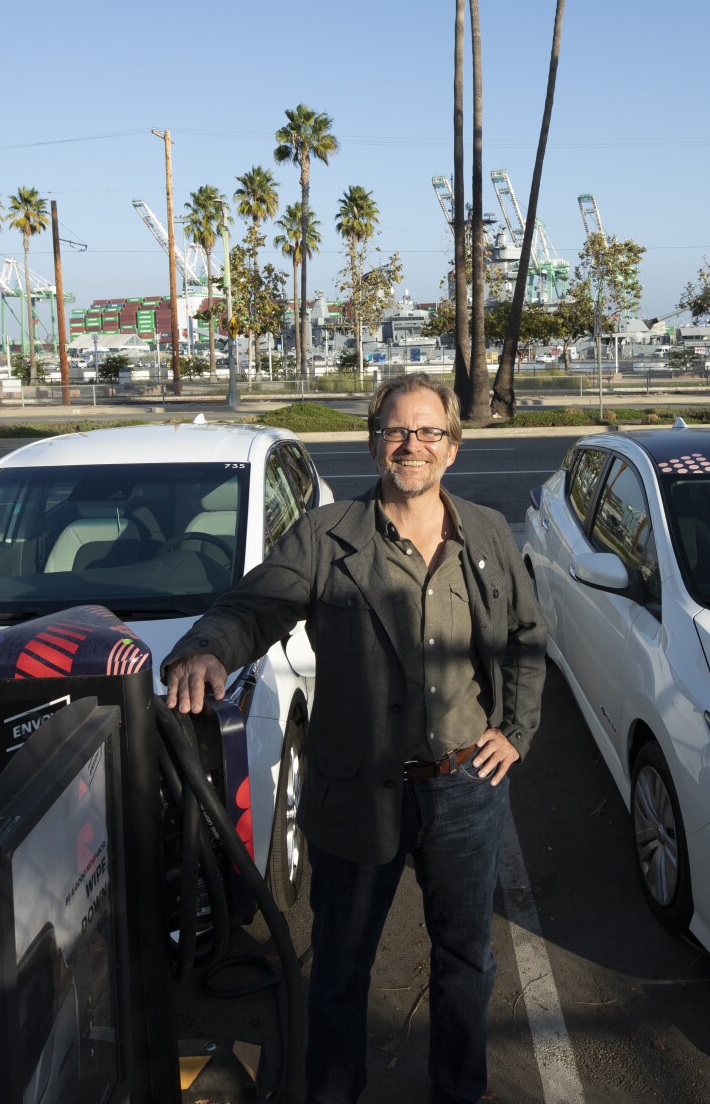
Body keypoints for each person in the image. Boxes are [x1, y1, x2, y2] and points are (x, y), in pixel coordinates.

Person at [162, 374, 546, 1104]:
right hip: (356, 791)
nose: (413, 444)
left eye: (429, 431)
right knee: (340, 968)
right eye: (397, 430)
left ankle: (457, 1088)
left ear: (453, 448)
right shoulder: (326, 535)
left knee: (467, 961)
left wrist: (516, 730)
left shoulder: (488, 534)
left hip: (466, 790)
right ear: (375, 445)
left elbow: (527, 638)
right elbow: (252, 606)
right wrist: (207, 647)